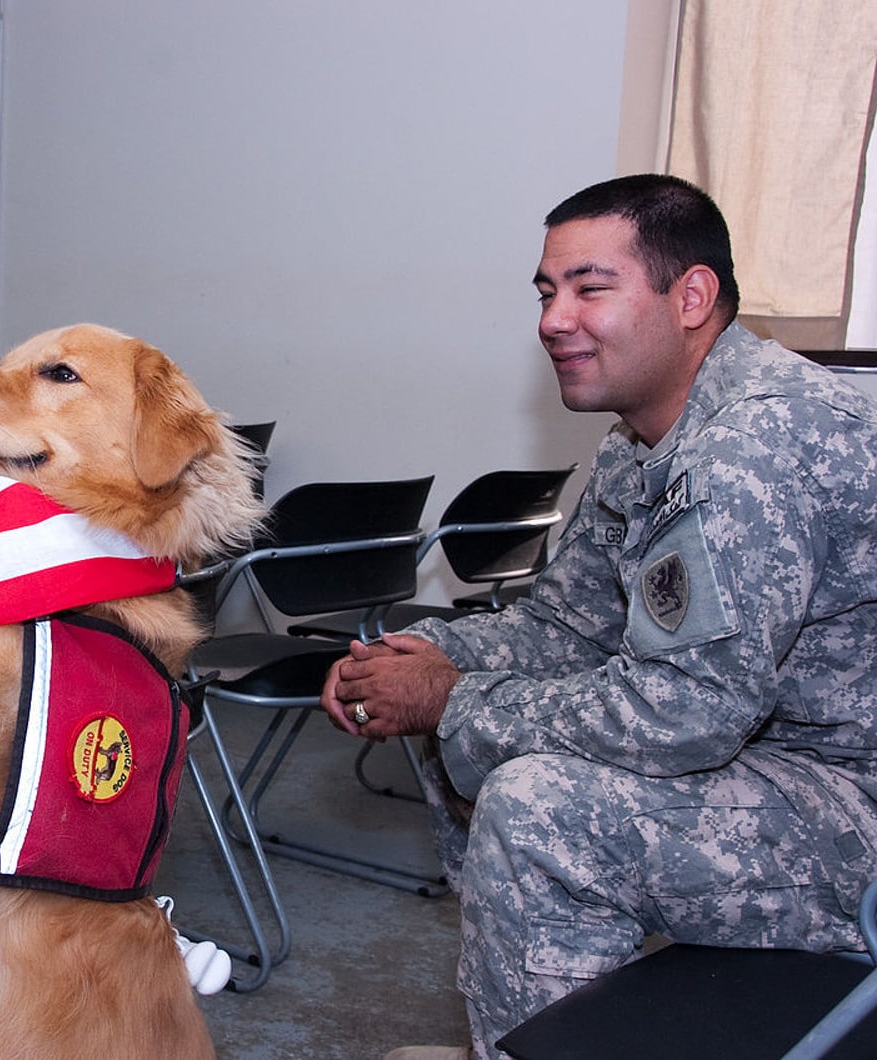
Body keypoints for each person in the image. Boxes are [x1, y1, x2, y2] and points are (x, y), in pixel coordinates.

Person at [321, 174, 877, 1060]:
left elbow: (682, 714)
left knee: (543, 807)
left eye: (591, 287)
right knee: (482, 718)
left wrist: (450, 698)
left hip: (852, 803)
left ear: (690, 297)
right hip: (768, 758)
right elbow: (565, 629)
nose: (552, 318)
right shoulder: (646, 440)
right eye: (547, 292)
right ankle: (542, 1030)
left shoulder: (749, 447)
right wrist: (421, 649)